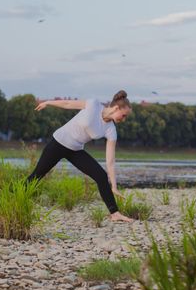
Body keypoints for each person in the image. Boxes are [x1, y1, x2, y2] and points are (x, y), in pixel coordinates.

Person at [27, 90, 133, 223]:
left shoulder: (111, 130)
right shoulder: (93, 104)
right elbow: (68, 103)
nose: (124, 119)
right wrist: (48, 102)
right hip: (58, 143)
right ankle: (14, 196)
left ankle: (115, 213)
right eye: (123, 115)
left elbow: (110, 160)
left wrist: (114, 186)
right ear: (116, 108)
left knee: (101, 176)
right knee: (36, 176)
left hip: (75, 150)